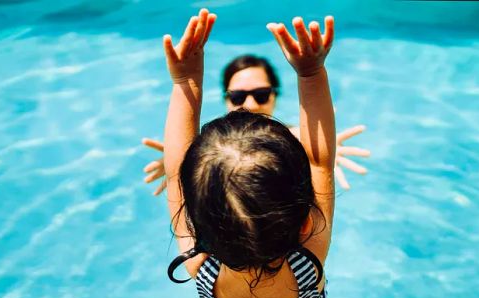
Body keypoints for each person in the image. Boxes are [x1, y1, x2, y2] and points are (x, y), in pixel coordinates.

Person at [160, 9, 336, 298]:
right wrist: (311, 73)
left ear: (195, 217)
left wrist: (185, 81)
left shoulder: (197, 263)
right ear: (301, 221)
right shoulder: (307, 261)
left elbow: (174, 171)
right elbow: (320, 159)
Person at [142, 55, 370, 195]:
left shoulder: (297, 139)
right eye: (238, 96)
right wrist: (182, 164)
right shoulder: (207, 150)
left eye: (261, 94)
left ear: (275, 96)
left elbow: (313, 153)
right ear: (225, 98)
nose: (250, 104)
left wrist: (322, 153)